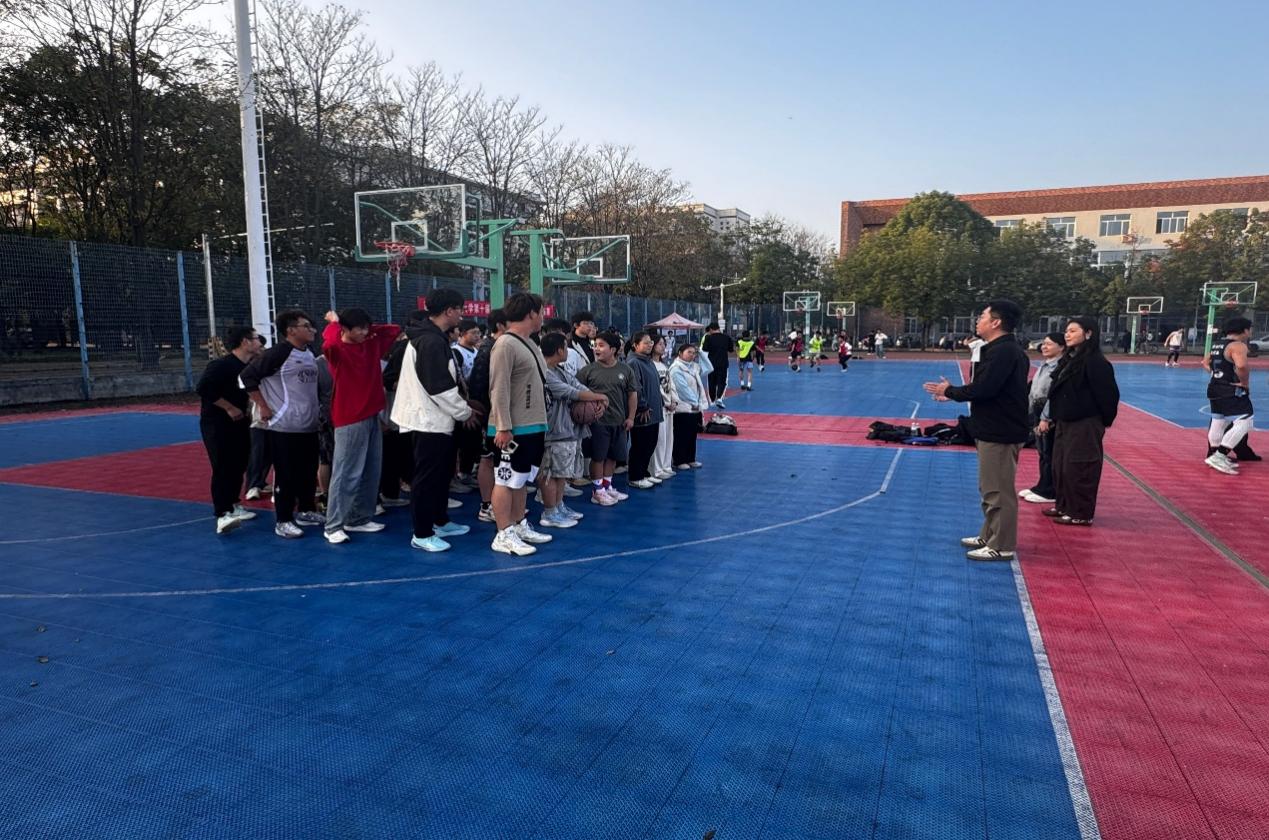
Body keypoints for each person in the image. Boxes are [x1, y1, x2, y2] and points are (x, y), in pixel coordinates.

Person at [923, 300, 1030, 560]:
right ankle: (990, 534)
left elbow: (985, 388)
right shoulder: (996, 350)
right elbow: (983, 386)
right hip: (991, 427)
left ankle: (1001, 544)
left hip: (1000, 430)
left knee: (998, 490)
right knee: (989, 487)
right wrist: (953, 393)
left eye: (982, 316)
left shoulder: (1004, 352)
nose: (977, 321)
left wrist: (950, 391)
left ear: (996, 322)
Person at [390, 288, 474, 552]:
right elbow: (439, 388)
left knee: (440, 476)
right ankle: (422, 533)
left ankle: (439, 520)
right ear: (449, 310)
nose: (462, 315)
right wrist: (464, 412)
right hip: (426, 421)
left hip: (435, 420)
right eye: (459, 309)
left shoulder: (432, 338)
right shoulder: (429, 341)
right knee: (426, 479)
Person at [319, 308, 402, 544]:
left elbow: (393, 330)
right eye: (359, 329)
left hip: (372, 414)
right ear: (345, 329)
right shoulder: (337, 350)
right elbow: (329, 342)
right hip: (349, 417)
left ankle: (358, 518)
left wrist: (365, 327)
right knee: (346, 471)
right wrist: (335, 323)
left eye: (367, 328)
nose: (365, 332)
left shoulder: (371, 344)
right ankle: (333, 525)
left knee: (370, 469)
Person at [240, 310, 325, 539]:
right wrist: (263, 406)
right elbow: (246, 377)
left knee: (308, 470)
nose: (312, 330)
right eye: (306, 326)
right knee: (287, 473)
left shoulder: (309, 353)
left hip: (308, 424)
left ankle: (306, 510)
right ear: (291, 330)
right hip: (284, 424)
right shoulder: (279, 353)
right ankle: (284, 520)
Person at [487, 292, 554, 554]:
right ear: (531, 313)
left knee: (521, 479)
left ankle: (518, 524)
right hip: (513, 428)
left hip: (533, 424)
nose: (543, 316)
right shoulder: (505, 344)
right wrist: (503, 426)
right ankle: (503, 533)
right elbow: (499, 387)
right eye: (541, 311)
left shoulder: (529, 343)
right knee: (505, 479)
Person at [1044, 317, 1120, 524]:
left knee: (1080, 467)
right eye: (1066, 331)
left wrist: (1100, 421)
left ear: (1088, 334)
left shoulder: (1095, 363)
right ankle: (1064, 505)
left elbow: (1108, 396)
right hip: (1065, 420)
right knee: (1061, 466)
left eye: (1073, 331)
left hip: (1085, 422)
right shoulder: (1070, 360)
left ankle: (1080, 513)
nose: (1067, 335)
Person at [196, 325, 262, 534]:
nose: (260, 342)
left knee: (239, 463)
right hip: (217, 424)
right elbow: (204, 388)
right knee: (223, 466)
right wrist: (229, 407)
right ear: (245, 342)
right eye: (256, 339)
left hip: (240, 422)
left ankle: (233, 504)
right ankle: (222, 513)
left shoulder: (248, 366)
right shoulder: (221, 365)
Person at [540, 331, 607, 528]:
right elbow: (569, 392)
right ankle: (549, 512)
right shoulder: (544, 372)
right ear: (559, 350)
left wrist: (597, 399)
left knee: (562, 473)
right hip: (554, 430)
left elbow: (578, 385)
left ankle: (558, 506)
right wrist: (599, 397)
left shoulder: (559, 370)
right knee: (551, 473)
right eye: (565, 347)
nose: (567, 351)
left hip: (568, 429)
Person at [577, 331, 638, 505]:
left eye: (601, 345)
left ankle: (607, 486)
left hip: (619, 421)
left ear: (613, 349)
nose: (596, 349)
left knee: (613, 456)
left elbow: (632, 395)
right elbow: (576, 392)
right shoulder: (588, 371)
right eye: (595, 345)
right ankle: (597, 491)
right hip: (597, 423)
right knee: (598, 457)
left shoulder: (625, 370)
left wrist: (631, 417)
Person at [466, 308, 506, 523]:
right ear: (500, 325)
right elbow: (479, 385)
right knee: (488, 458)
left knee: (499, 460)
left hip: (498, 414)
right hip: (490, 415)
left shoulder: (500, 346)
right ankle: (487, 505)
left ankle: (499, 504)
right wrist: (485, 414)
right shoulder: (488, 349)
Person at [1202, 317, 1254, 475]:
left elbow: (1205, 362)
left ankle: (1214, 454)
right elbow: (1242, 366)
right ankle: (1219, 455)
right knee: (1245, 421)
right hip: (1230, 389)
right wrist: (1244, 382)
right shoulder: (1238, 346)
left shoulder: (1217, 344)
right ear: (1244, 330)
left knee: (1219, 421)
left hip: (1214, 387)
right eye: (1250, 329)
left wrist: (1217, 374)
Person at [1020, 332, 1064, 505]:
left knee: (1049, 452)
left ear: (1062, 347)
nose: (1044, 347)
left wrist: (1046, 418)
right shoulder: (1044, 365)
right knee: (1042, 451)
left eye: (1049, 344)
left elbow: (1053, 395)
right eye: (1044, 343)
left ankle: (1049, 490)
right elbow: (1034, 391)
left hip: (1048, 413)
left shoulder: (1059, 367)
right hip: (1038, 410)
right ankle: (1042, 485)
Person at [625, 331, 665, 489]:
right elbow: (636, 387)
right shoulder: (634, 362)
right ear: (636, 345)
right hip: (643, 412)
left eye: (650, 343)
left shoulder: (648, 361)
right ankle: (636, 476)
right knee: (640, 445)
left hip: (654, 411)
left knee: (650, 443)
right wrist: (642, 405)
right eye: (646, 343)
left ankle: (644, 472)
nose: (650, 345)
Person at [669, 344, 709, 469]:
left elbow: (709, 368)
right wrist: (695, 403)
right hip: (683, 407)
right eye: (689, 352)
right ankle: (679, 460)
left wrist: (701, 353)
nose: (692, 355)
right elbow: (683, 389)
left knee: (692, 435)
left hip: (694, 408)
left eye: (694, 353)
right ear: (680, 353)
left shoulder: (693, 367)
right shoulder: (676, 369)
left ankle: (690, 458)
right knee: (682, 435)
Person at [650, 335, 677, 480]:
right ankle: (657, 469)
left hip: (669, 407)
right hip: (659, 407)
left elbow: (670, 385)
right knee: (659, 440)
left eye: (664, 344)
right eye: (660, 343)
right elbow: (655, 388)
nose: (663, 346)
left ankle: (666, 466)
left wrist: (674, 401)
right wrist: (666, 402)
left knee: (668, 438)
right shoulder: (650, 365)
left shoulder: (664, 365)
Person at [701, 322, 733, 405]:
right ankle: (719, 398)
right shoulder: (726, 337)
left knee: (711, 382)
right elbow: (731, 349)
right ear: (718, 328)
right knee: (722, 381)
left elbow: (705, 349)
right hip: (723, 363)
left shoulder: (708, 338)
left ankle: (712, 399)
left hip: (711, 364)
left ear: (711, 329)